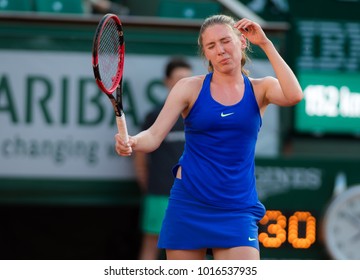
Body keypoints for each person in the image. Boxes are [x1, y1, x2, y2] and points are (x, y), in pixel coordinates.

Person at [115, 15, 303, 260]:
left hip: (237, 208)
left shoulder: (261, 88)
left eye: (226, 41)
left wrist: (266, 44)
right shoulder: (188, 87)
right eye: (211, 46)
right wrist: (133, 141)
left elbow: (294, 95)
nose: (220, 50)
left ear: (242, 42)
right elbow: (153, 135)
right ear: (205, 54)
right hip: (189, 204)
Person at [134, 57, 192, 260]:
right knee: (152, 243)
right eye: (178, 79)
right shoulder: (155, 115)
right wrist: (144, 178)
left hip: (194, 194)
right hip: (160, 191)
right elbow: (141, 151)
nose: (182, 84)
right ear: (167, 81)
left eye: (187, 79)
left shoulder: (199, 114)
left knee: (190, 247)